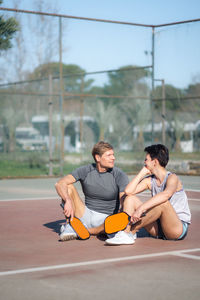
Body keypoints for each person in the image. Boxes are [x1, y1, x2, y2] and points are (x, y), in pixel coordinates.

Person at [105, 144, 191, 245]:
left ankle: (127, 232)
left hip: (176, 228)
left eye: (146, 160)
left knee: (163, 203)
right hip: (158, 228)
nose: (144, 162)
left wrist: (140, 209)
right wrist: (142, 173)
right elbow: (128, 191)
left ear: (155, 162)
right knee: (130, 198)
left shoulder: (172, 178)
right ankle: (125, 232)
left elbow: (165, 195)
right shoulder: (150, 180)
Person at [55, 141, 130, 241]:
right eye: (109, 155)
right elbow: (60, 183)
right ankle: (71, 225)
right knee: (68, 187)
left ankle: (82, 229)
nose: (113, 158)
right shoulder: (86, 170)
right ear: (98, 158)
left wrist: (123, 219)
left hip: (106, 219)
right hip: (85, 214)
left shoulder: (119, 174)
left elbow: (124, 200)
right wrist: (67, 200)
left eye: (113, 155)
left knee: (111, 224)